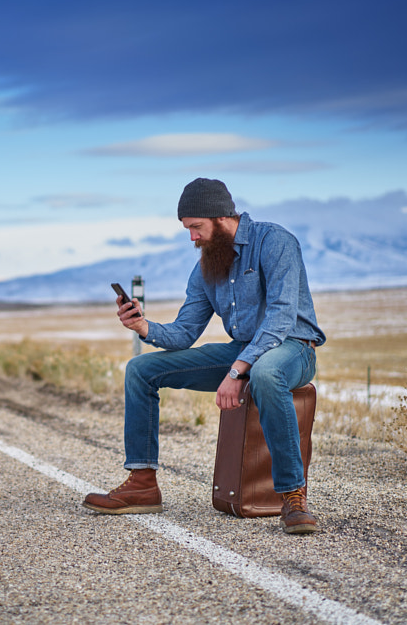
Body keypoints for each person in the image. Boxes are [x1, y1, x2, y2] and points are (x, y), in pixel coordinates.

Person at [82, 178, 326, 535]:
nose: (192, 238)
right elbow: (184, 332)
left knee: (265, 374)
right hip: (242, 350)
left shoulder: (275, 242)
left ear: (222, 218)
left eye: (196, 227)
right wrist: (143, 326)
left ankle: (292, 496)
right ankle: (143, 483)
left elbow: (281, 316)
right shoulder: (205, 268)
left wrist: (237, 370)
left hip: (293, 347)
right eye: (187, 229)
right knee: (140, 369)